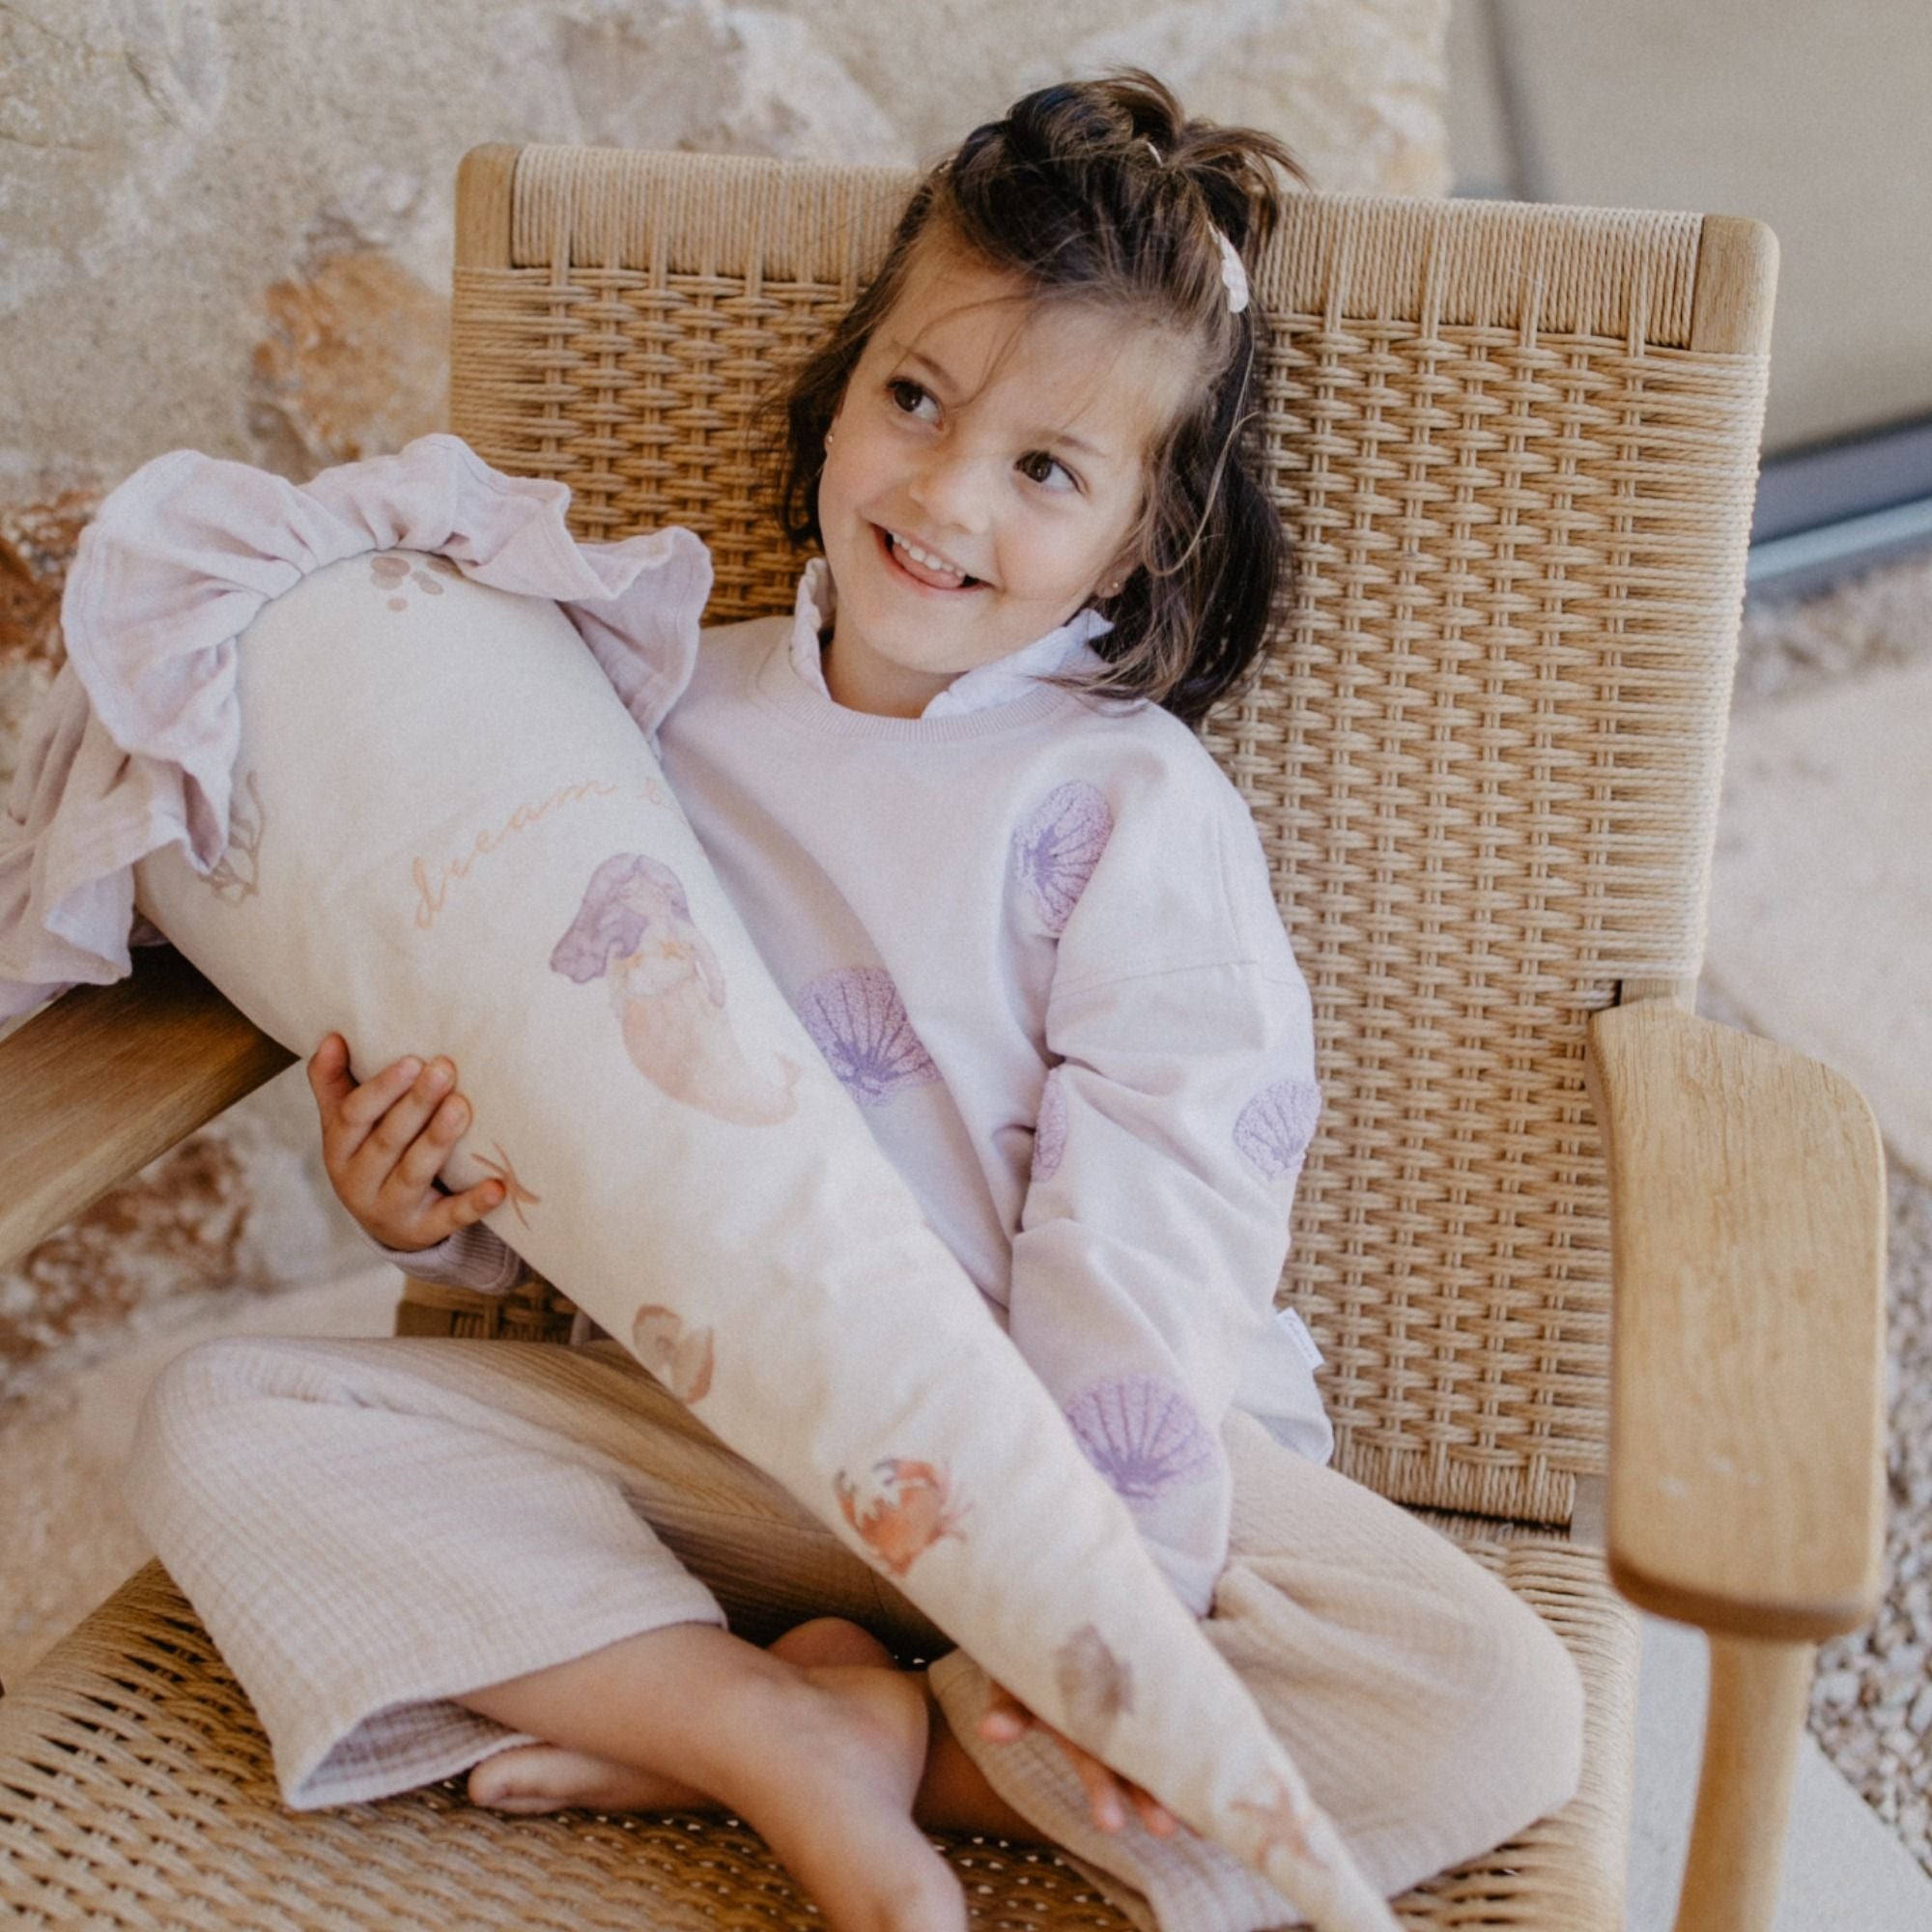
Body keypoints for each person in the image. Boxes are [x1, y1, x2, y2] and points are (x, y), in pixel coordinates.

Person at [128, 70, 1584, 1932]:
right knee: (221, 1411)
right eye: (917, 400)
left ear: (1142, 538)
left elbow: (1167, 1215)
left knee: (1484, 1697)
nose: (946, 493)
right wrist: (431, 1211)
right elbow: (573, 1100)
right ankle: (761, 1727)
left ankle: (879, 1736)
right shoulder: (646, 716)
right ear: (845, 391)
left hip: (1081, 1478)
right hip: (735, 1447)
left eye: (1047, 471)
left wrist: (1094, 1593)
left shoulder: (1129, 807)